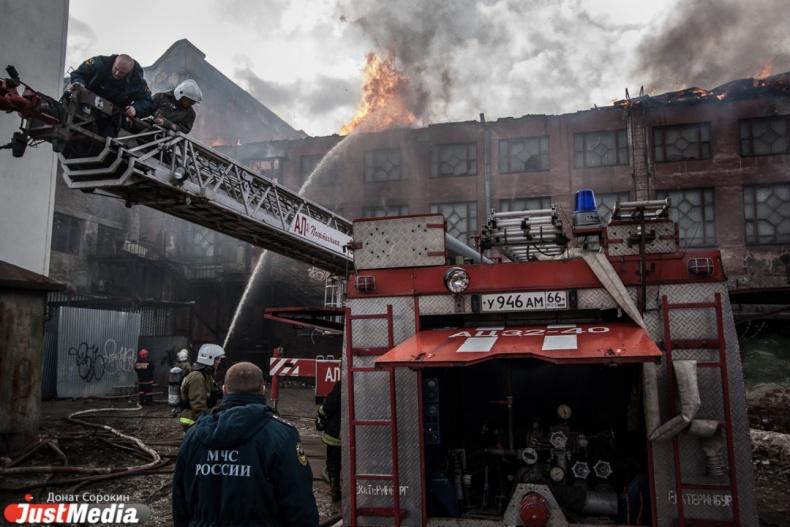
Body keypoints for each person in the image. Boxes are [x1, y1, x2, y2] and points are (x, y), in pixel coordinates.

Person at [172, 361, 319, 526]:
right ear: (263, 389)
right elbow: (298, 501)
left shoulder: (194, 435)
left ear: (224, 390)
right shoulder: (283, 436)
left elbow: (179, 499)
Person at [65, 53, 152, 136]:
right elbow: (79, 73)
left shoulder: (137, 81)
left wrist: (135, 108)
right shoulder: (99, 62)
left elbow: (147, 100)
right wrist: (79, 83)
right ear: (114, 62)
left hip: (110, 117)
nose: (117, 73)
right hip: (85, 103)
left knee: (106, 141)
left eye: (122, 72)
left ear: (128, 72)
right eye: (116, 69)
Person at [178, 343, 224, 430]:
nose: (219, 361)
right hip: (192, 420)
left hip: (199, 417)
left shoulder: (206, 375)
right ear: (209, 359)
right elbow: (198, 407)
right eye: (217, 359)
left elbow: (216, 392)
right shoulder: (197, 377)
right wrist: (213, 416)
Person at [317, 380, 342, 501]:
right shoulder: (363, 383)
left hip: (336, 435)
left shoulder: (342, 384)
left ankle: (335, 489)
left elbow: (328, 407)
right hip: (357, 435)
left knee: (333, 463)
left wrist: (320, 414)